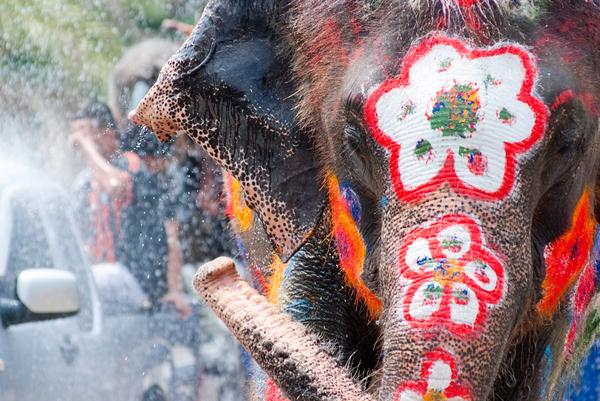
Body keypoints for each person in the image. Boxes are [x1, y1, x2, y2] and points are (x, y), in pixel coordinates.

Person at [70, 101, 191, 318]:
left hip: (136, 280)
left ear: (108, 133)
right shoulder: (84, 182)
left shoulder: (130, 163)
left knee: (86, 283)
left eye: (86, 133)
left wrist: (174, 291)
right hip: (106, 281)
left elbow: (116, 187)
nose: (77, 141)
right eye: (75, 134)